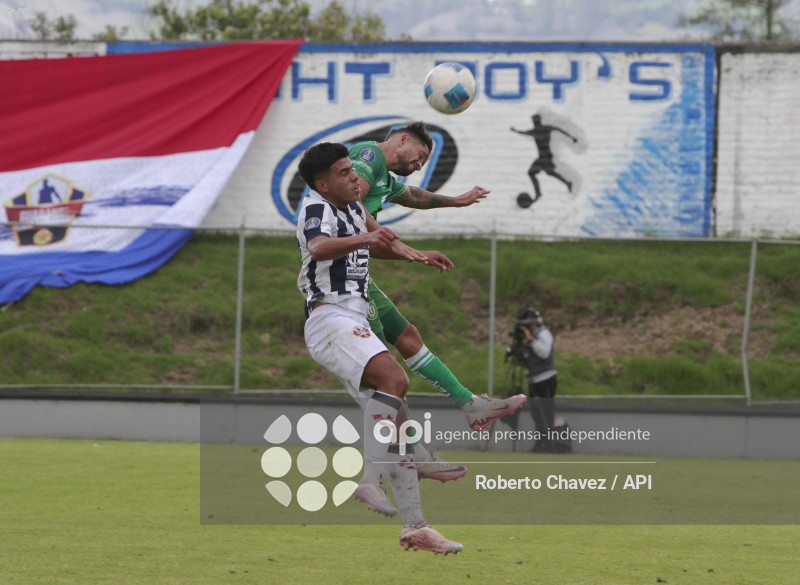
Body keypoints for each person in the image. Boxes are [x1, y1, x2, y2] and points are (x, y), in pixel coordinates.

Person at [295, 141, 462, 555]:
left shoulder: (352, 208)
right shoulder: (318, 209)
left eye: (353, 169)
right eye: (343, 172)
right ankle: (369, 480)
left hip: (350, 318)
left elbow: (375, 242)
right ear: (323, 184)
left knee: (397, 421)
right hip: (330, 318)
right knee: (394, 377)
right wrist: (364, 238)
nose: (354, 177)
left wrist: (415, 254)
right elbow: (318, 247)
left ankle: (416, 527)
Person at [349, 122, 527, 437]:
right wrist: (395, 243)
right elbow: (351, 208)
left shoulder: (383, 179)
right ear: (402, 139)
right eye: (418, 158)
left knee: (408, 337)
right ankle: (408, 452)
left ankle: (473, 407)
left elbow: (415, 196)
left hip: (356, 271)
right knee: (386, 374)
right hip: (340, 280)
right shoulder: (370, 155)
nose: (418, 167)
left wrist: (454, 203)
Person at [517, 308, 559, 453]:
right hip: (533, 379)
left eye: (531, 318)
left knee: (546, 412)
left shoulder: (543, 333)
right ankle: (539, 443)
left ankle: (549, 444)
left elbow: (544, 353)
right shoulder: (528, 336)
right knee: (536, 413)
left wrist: (531, 340)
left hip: (546, 378)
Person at [510, 114, 577, 204]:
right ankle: (567, 183)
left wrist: (571, 137)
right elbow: (558, 129)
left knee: (532, 173)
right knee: (549, 172)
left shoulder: (538, 130)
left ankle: (539, 193)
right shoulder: (543, 129)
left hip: (544, 157)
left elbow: (558, 129)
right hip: (544, 157)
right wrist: (571, 137)